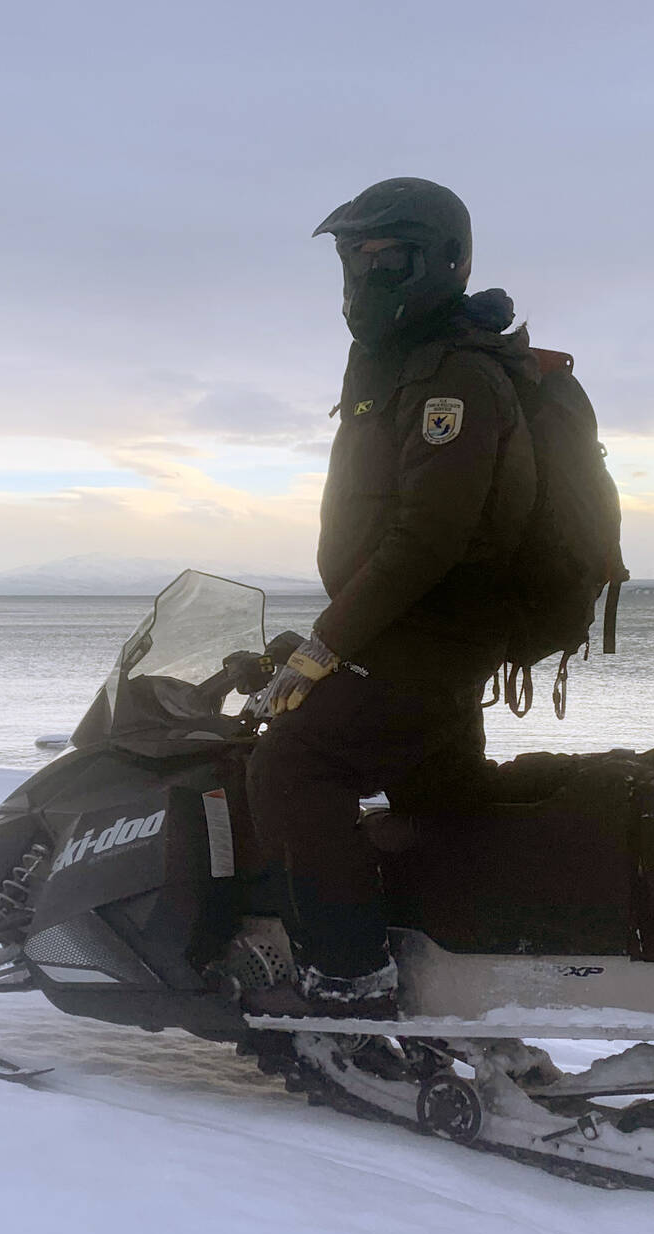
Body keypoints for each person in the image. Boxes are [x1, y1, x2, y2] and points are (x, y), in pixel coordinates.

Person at [245, 178, 539, 1019]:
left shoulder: (455, 378)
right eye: (355, 259)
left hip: (426, 639)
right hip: (416, 636)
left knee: (293, 762)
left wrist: (325, 645)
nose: (367, 277)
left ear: (440, 261)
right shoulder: (404, 363)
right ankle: (439, 951)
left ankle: (348, 978)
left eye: (388, 258)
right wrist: (327, 637)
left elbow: (427, 538)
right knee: (439, 801)